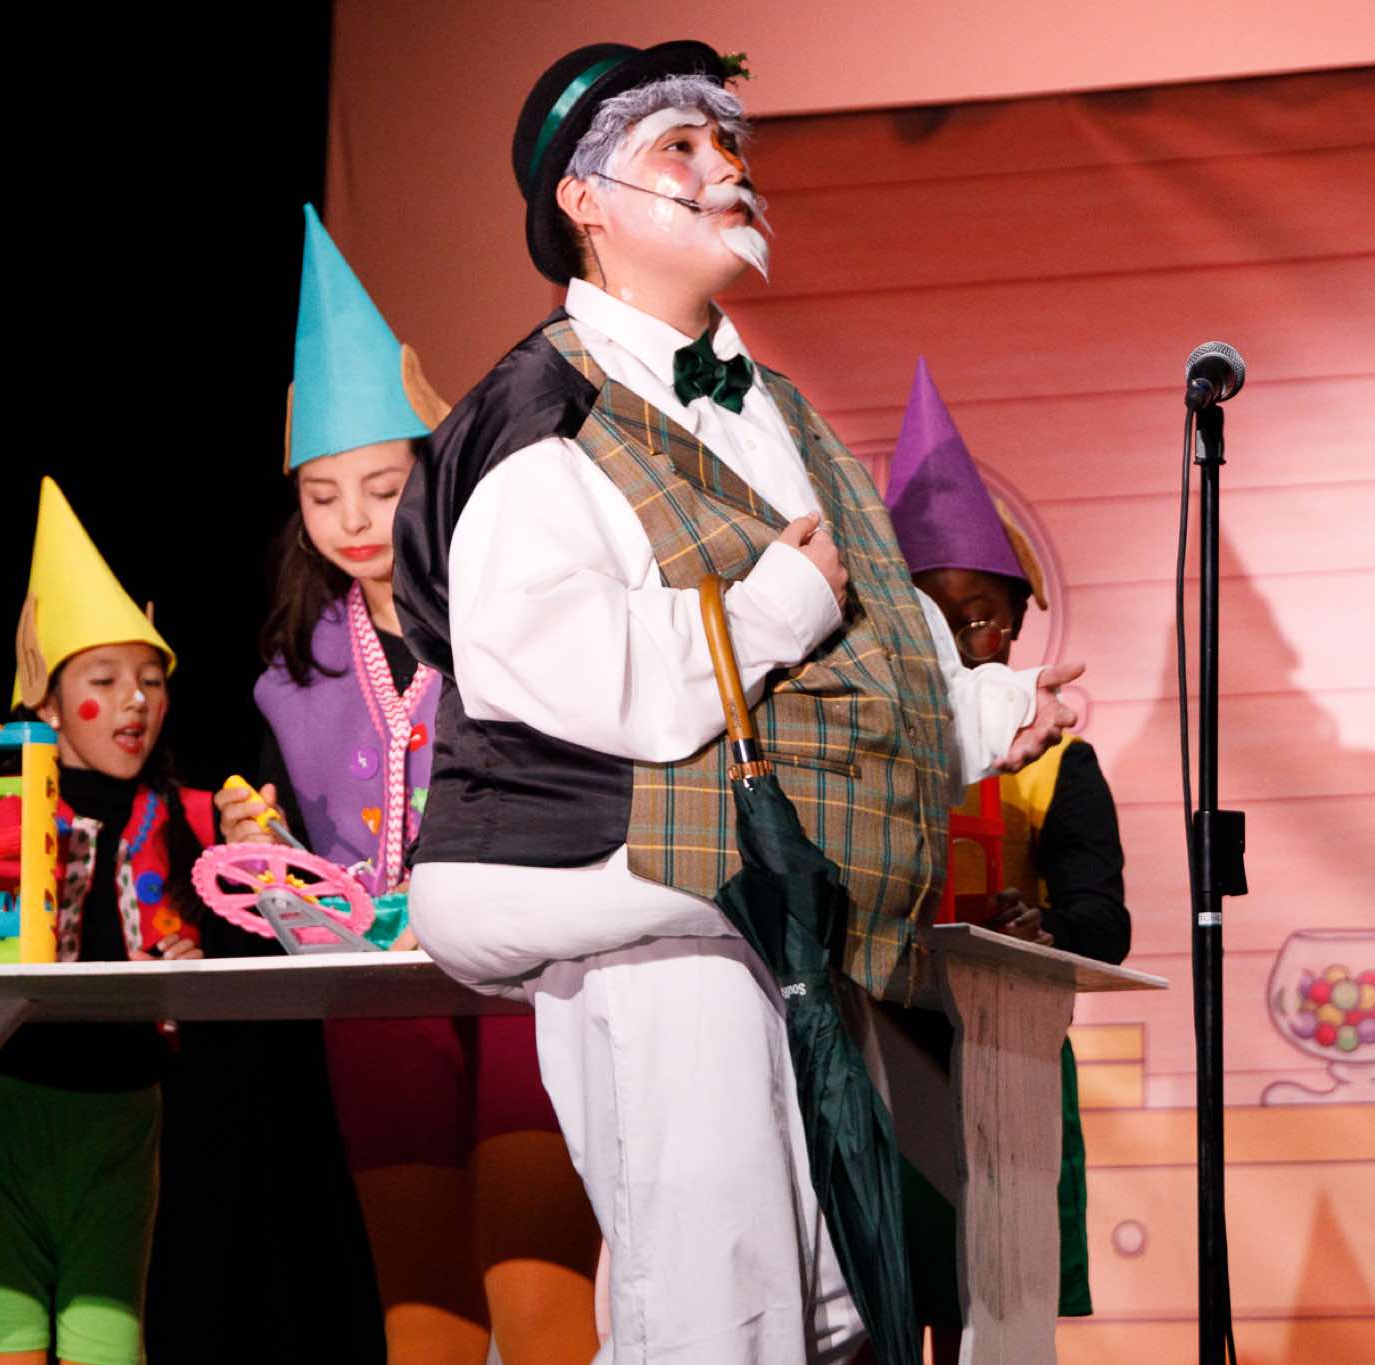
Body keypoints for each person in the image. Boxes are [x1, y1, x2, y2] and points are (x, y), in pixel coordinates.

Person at [391, 42, 1083, 1363]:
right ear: (583, 204)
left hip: (780, 911)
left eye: (728, 145)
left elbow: (852, 636)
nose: (724, 170)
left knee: (828, 1302)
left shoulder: (775, 407)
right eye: (678, 149)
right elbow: (543, 661)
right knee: (716, 1302)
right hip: (646, 900)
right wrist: (764, 609)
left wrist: (981, 716)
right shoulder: (540, 412)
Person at [219, 205, 601, 1364]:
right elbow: (310, 849)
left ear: (431, 474)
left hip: (523, 976)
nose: (353, 521)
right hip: (375, 998)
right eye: (322, 495)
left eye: (381, 488)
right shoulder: (293, 675)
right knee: (420, 1310)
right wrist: (262, 838)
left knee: (538, 1303)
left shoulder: (508, 613)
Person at [881, 357, 1133, 1361]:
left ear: (1021, 621)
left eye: (982, 615)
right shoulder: (863, 763)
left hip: (1003, 1065)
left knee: (998, 1317)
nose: (962, 641)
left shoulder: (1058, 767)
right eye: (934, 619)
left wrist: (1042, 928)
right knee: (876, 1305)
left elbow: (1104, 923)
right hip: (884, 1057)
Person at [0, 476, 213, 1365]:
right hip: (5, 1103)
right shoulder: (6, 807)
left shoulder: (178, 811)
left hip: (122, 1116)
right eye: (106, 680)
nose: (136, 701)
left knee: (105, 1344)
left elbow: (251, 875)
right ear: (47, 701)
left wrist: (246, 838)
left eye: (152, 680)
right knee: (5, 1342)